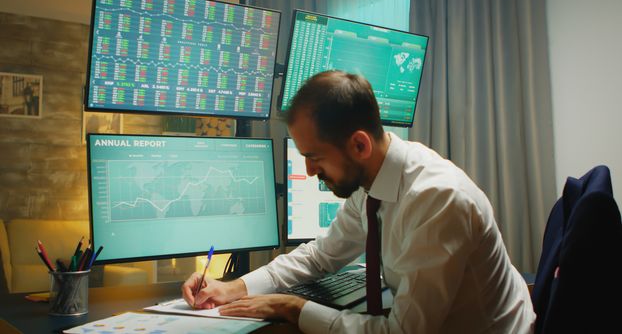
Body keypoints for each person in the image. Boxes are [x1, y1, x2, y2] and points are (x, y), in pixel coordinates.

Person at [182, 71, 535, 333]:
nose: (307, 170)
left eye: (314, 156)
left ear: (360, 145)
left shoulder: (437, 201)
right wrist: (233, 287)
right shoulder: (373, 181)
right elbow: (322, 255)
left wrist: (292, 306)